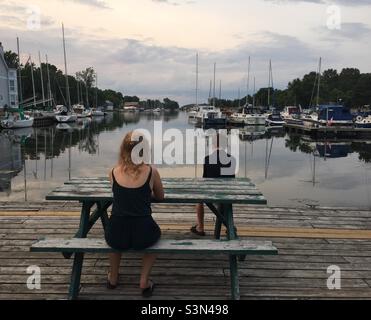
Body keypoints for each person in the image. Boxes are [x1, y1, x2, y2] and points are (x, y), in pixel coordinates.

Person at [105, 131, 164, 298]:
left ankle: (113, 278)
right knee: (155, 242)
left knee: (113, 239)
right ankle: (144, 281)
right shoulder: (152, 172)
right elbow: (160, 196)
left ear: (123, 149)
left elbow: (120, 195)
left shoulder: (113, 172)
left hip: (117, 232)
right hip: (144, 233)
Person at [191, 132, 236, 236]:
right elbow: (232, 180)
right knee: (226, 203)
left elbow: (205, 180)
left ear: (214, 145)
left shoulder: (207, 159)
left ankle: (200, 228)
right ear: (225, 146)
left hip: (211, 194)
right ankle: (229, 226)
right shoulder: (232, 159)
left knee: (199, 201)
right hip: (227, 194)